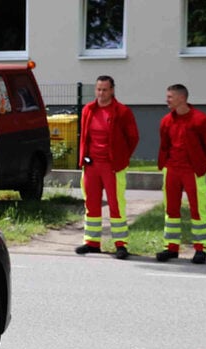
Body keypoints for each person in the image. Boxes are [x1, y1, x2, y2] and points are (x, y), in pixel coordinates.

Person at [75, 76, 139, 260]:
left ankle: (121, 245)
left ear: (112, 90)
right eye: (98, 89)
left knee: (116, 205)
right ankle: (92, 243)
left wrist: (121, 158)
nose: (101, 93)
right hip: (91, 165)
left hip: (112, 167)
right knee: (91, 204)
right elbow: (84, 136)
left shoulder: (122, 111)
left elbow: (133, 138)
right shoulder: (88, 109)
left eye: (104, 90)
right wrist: (84, 159)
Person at [156, 83, 206, 264]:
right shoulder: (166, 120)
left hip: (193, 171)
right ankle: (171, 247)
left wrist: (199, 162)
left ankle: (200, 249)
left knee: (198, 210)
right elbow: (165, 144)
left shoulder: (200, 120)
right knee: (171, 210)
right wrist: (165, 164)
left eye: (170, 97)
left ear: (181, 98)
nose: (167, 100)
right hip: (172, 170)